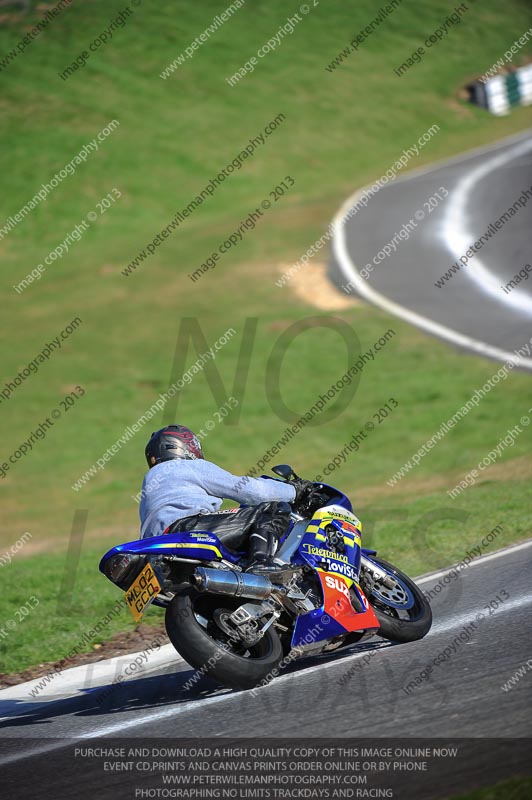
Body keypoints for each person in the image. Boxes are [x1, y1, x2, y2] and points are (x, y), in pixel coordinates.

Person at [139, 424, 318, 575]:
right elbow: (253, 491)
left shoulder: (151, 482)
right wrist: (295, 490)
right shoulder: (189, 466)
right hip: (186, 530)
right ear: (184, 446)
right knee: (272, 509)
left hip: (156, 548)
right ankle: (260, 563)